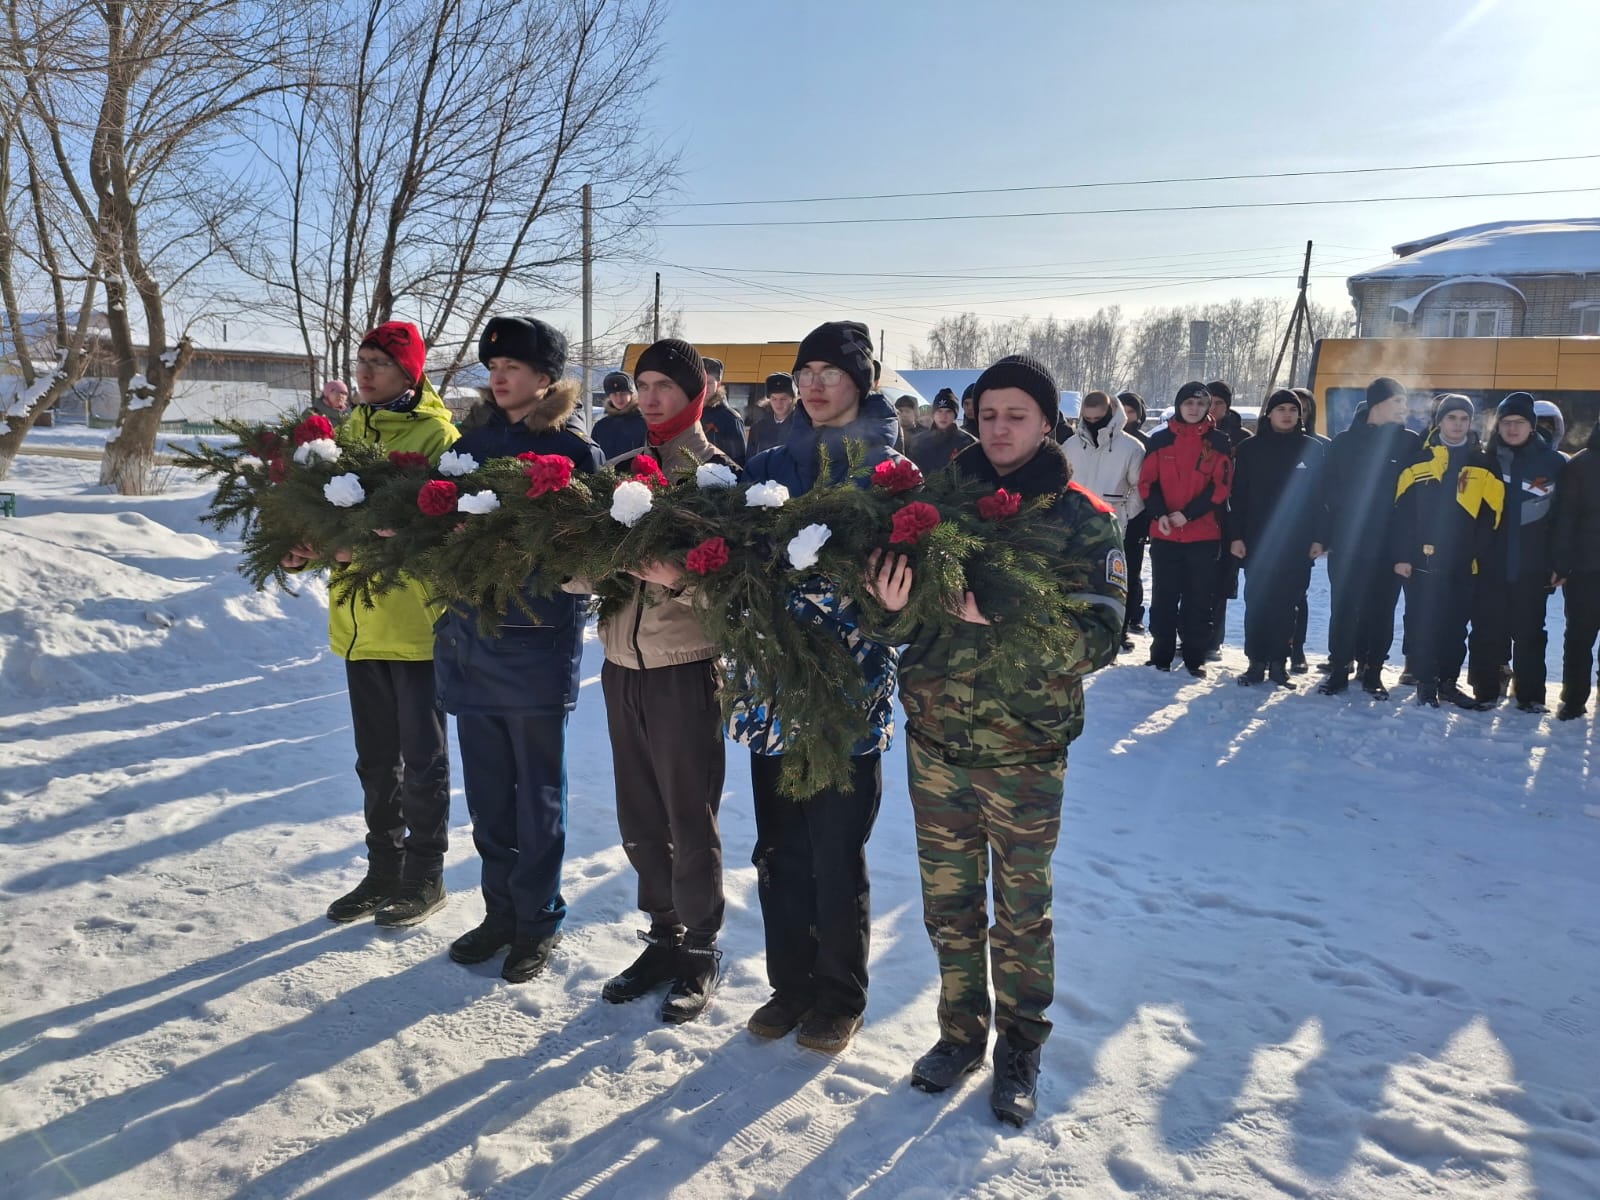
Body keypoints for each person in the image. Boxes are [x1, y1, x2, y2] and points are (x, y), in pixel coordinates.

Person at [865, 354, 1124, 1128]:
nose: (1000, 428)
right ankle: (959, 1033)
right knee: (949, 908)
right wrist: (885, 604)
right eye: (989, 414)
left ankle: (1020, 1044)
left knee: (1020, 910)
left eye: (1018, 414)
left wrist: (1004, 611)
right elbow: (895, 622)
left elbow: (1101, 636)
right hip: (938, 741)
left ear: (1049, 422)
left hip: (1025, 751)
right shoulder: (937, 501)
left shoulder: (1083, 516)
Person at [731, 320, 900, 1055]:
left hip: (845, 688)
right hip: (771, 683)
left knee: (836, 850)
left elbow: (904, 586)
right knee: (779, 847)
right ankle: (789, 985)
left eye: (832, 371)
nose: (815, 383)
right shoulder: (767, 461)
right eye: (806, 371)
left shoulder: (890, 472)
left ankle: (839, 994)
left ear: (861, 380)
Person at [572, 338, 739, 1021]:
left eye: (666, 386)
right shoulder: (620, 472)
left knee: (688, 816)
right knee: (640, 816)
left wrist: (684, 578)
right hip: (621, 666)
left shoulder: (719, 478)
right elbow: (579, 571)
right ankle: (662, 936)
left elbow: (738, 592)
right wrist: (580, 562)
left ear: (694, 394)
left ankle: (700, 947)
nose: (650, 397)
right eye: (643, 385)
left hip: (684, 669)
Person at [438, 316, 602, 980]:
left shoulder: (573, 452)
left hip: (535, 647)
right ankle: (499, 911)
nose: (499, 376)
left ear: (545, 377)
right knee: (486, 797)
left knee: (537, 798)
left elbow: (589, 555)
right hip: (469, 644)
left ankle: (539, 919)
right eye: (492, 365)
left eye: (513, 366)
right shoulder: (468, 445)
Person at [283, 321, 459, 927]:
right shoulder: (349, 430)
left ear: (409, 372)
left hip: (412, 623)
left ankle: (424, 875)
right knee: (375, 759)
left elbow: (438, 532)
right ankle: (382, 867)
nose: (364, 371)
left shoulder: (437, 435)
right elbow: (326, 514)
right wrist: (303, 542)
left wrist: (358, 548)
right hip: (359, 623)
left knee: (422, 757)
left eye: (379, 363)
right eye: (360, 360)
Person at [1391, 394, 1503, 709]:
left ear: (1470, 423)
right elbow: (1401, 512)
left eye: (1463, 419)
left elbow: (1493, 515)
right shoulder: (1419, 459)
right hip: (1422, 559)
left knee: (1455, 627)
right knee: (1423, 623)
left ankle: (1448, 683)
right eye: (1451, 418)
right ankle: (1425, 683)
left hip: (1464, 562)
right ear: (1439, 421)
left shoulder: (1482, 461)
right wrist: (1402, 555)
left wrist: (1475, 552)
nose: (1457, 424)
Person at [1313, 377, 1420, 699]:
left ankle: (1372, 670)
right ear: (1378, 404)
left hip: (1390, 544)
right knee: (1344, 608)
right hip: (1349, 541)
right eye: (1398, 401)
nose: (1405, 408)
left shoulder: (1411, 443)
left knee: (1381, 610)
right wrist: (1322, 536)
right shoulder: (1344, 443)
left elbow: (1417, 500)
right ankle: (1339, 668)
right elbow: (1326, 494)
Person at [1467, 392, 1566, 712]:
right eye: (1506, 422)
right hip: (1489, 563)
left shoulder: (1553, 463)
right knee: (1486, 628)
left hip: (1533, 565)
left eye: (1519, 422)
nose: (1512, 428)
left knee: (1530, 633)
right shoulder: (1485, 458)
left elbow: (1562, 519)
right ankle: (1485, 688)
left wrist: (1559, 563)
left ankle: (1531, 694)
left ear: (1532, 426)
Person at [1227, 390, 1328, 687]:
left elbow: (1322, 498)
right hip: (1259, 539)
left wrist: (1320, 537)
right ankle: (1255, 662)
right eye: (1280, 409)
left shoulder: (1313, 449)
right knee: (1258, 602)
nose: (1287, 414)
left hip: (1297, 542)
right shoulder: (1250, 449)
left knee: (1288, 605)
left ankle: (1278, 662)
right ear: (1268, 414)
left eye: (1292, 410)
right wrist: (1236, 536)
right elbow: (1238, 497)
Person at [1138, 381, 1232, 677]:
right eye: (1188, 403)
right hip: (1165, 532)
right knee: (1164, 596)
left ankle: (1194, 656)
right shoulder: (1160, 440)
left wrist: (1188, 515)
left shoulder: (1218, 442)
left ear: (1208, 408)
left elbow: (1221, 487)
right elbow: (1146, 483)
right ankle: (1160, 655)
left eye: (1201, 404)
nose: (1194, 409)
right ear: (1179, 406)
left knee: (1198, 598)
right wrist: (1161, 514)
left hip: (1202, 534)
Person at [1061, 390, 1144, 652]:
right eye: (1088, 418)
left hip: (1113, 526)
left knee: (1113, 584)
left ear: (1111, 415)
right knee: (1075, 579)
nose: (1093, 423)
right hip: (1075, 527)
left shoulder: (1131, 447)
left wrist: (1125, 514)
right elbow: (1061, 484)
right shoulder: (1071, 446)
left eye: (1099, 418)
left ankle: (1115, 633)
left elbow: (1141, 488)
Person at [1553, 415, 1600, 720]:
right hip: (1586, 568)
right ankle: (1573, 699)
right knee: (1580, 636)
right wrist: (1562, 563)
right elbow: (1565, 518)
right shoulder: (1581, 465)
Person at [1204, 381, 1247, 658]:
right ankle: (1190, 635)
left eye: (1219, 402)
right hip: (1199, 512)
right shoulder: (1195, 432)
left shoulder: (1241, 438)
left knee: (1221, 580)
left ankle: (1213, 639)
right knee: (1195, 580)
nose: (1214, 407)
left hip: (1229, 515)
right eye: (1210, 401)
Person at [1118, 392, 1151, 635]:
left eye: (1132, 411)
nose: (1128, 416)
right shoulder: (1109, 440)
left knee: (1133, 569)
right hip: (1112, 513)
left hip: (1137, 515)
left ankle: (1133, 615)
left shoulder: (1146, 443)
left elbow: (1147, 484)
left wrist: (1136, 512)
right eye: (1123, 410)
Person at [908, 388, 977, 474]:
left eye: (948, 411)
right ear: (933, 413)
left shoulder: (968, 442)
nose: (943, 416)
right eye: (939, 411)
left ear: (955, 415)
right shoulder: (918, 441)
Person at [698, 356, 747, 465]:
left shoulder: (730, 419)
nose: (705, 387)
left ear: (718, 384)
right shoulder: (688, 415)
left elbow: (739, 462)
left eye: (709, 382)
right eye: (702, 381)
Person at [592, 370, 647, 462]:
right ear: (609, 396)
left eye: (623, 393)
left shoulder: (644, 423)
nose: (619, 398)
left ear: (631, 393)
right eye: (614, 394)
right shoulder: (601, 426)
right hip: (604, 476)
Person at [746, 372, 799, 456]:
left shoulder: (803, 426)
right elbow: (750, 461)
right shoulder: (758, 428)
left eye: (783, 399)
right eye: (774, 399)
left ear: (792, 399)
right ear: (768, 400)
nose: (778, 403)